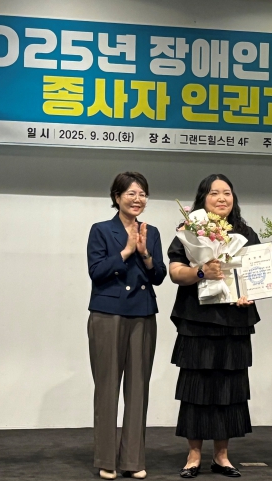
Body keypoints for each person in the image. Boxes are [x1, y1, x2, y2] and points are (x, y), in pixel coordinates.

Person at [168, 174, 260, 479]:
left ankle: (222, 455)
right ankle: (193, 455)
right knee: (196, 389)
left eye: (227, 193)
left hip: (234, 320)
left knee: (229, 389)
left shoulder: (245, 232)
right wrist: (201, 272)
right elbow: (176, 272)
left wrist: (249, 293)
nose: (222, 198)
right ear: (203, 199)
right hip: (197, 320)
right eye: (214, 193)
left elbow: (257, 273)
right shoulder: (189, 230)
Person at [86, 172, 167, 480]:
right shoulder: (101, 230)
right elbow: (96, 272)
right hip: (108, 313)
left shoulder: (152, 232)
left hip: (143, 313)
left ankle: (133, 459)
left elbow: (159, 275)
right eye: (131, 193)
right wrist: (126, 251)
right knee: (107, 387)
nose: (138, 199)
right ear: (117, 197)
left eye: (142, 194)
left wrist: (145, 254)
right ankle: (106, 459)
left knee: (138, 389)